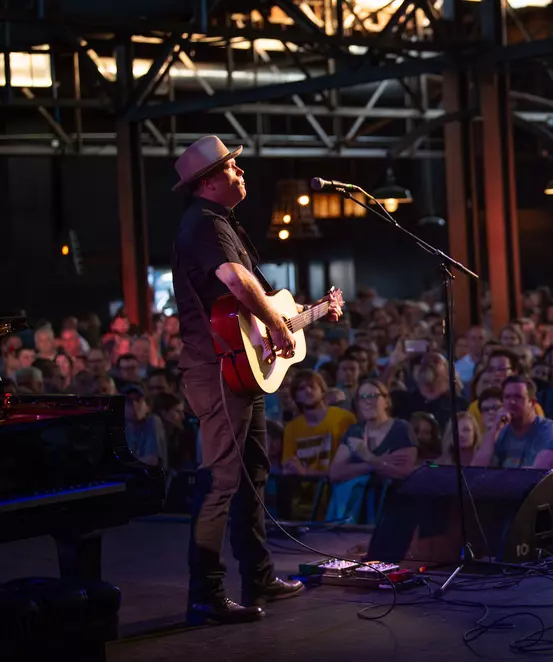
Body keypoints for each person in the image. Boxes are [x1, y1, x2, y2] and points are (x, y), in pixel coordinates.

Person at [171, 136, 342, 625]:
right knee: (221, 481)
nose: (241, 174)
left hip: (242, 370)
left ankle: (260, 576)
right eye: (232, 169)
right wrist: (276, 323)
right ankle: (205, 595)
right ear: (207, 182)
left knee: (253, 476)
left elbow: (261, 294)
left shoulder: (223, 224)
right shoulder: (203, 224)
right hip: (217, 369)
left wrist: (302, 315)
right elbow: (236, 281)